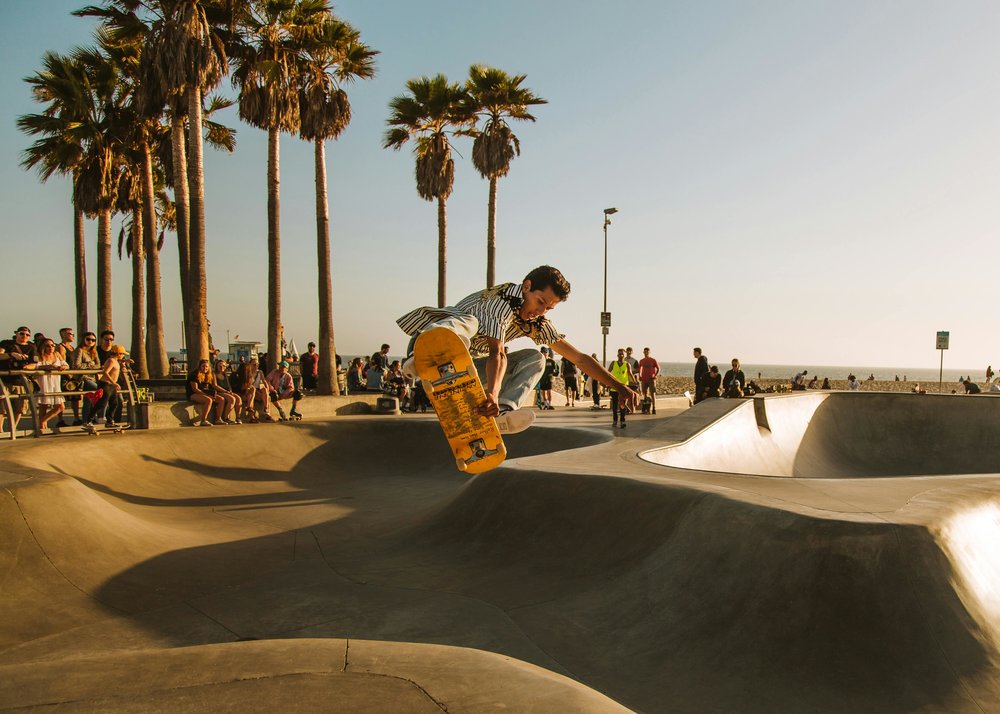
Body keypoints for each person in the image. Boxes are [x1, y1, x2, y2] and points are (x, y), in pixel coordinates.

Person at [397, 265, 640, 433]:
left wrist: (621, 387)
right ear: (526, 287)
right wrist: (491, 391)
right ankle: (423, 360)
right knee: (468, 323)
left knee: (536, 359)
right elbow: (497, 353)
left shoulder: (536, 323)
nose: (540, 311)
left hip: (463, 369)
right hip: (425, 345)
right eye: (540, 302)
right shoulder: (502, 301)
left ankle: (501, 414)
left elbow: (579, 358)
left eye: (548, 309)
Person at [89, 344, 128, 429]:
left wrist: (127, 362)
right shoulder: (111, 361)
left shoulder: (116, 361)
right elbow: (105, 372)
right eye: (122, 354)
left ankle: (110, 421)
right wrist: (114, 382)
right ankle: (88, 421)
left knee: (114, 403)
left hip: (111, 386)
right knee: (101, 404)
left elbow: (119, 364)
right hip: (105, 384)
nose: (123, 356)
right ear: (118, 354)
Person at [34, 338, 68, 431]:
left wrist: (63, 366)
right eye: (48, 345)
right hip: (44, 381)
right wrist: (48, 366)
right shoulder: (40, 355)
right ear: (43, 347)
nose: (50, 347)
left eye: (52, 345)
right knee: (43, 406)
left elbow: (65, 364)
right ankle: (42, 427)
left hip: (55, 382)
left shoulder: (57, 354)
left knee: (60, 406)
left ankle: (42, 421)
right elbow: (36, 366)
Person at [186, 358, 226, 426]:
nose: (205, 368)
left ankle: (218, 419)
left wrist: (212, 393)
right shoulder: (194, 374)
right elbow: (195, 389)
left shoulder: (208, 375)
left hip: (204, 393)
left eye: (206, 366)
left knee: (221, 399)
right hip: (193, 394)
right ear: (199, 366)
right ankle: (203, 420)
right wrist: (206, 395)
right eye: (203, 366)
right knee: (209, 400)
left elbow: (209, 387)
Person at [608, 347, 636, 428]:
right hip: (614, 387)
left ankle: (622, 421)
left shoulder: (627, 364)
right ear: (617, 355)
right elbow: (608, 372)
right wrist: (605, 382)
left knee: (623, 405)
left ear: (624, 355)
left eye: (622, 354)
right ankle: (615, 420)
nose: (621, 355)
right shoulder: (613, 363)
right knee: (614, 405)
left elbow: (630, 374)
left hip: (623, 388)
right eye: (619, 354)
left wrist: (635, 383)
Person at [637, 347, 659, 414]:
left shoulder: (653, 360)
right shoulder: (641, 361)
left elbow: (658, 368)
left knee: (653, 394)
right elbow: (639, 369)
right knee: (645, 394)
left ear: (649, 352)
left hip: (651, 379)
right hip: (644, 379)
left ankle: (654, 408)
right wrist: (640, 376)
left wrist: (655, 375)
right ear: (643, 352)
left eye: (647, 351)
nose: (646, 353)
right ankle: (646, 408)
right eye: (645, 351)